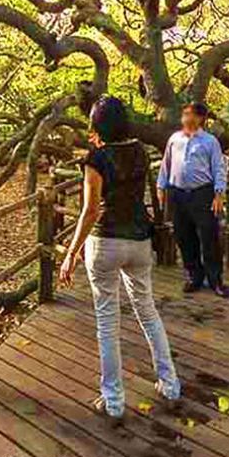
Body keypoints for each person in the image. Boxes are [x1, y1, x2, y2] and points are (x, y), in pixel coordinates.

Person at [59, 96, 181, 423]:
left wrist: (71, 253)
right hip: (140, 242)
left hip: (105, 243)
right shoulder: (140, 151)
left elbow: (90, 210)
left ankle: (113, 402)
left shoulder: (96, 159)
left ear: (97, 126)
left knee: (107, 322)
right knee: (148, 311)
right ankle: (170, 385)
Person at [157, 102, 229, 297]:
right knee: (183, 235)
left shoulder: (210, 141)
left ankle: (215, 279)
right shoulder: (174, 139)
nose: (185, 117)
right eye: (184, 113)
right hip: (177, 193)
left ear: (199, 118)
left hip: (202, 192)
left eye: (189, 114)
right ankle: (193, 276)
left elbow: (218, 168)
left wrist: (219, 193)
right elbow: (166, 164)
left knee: (209, 236)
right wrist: (161, 186)